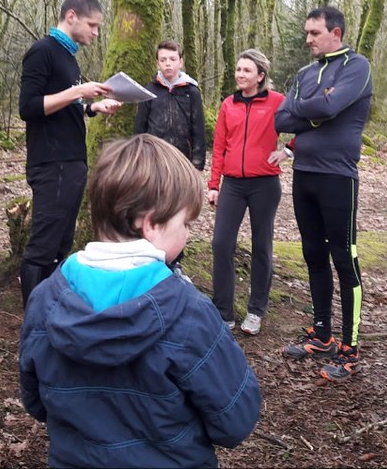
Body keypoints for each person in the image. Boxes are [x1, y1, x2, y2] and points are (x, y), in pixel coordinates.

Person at [19, 135, 262, 467]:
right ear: (150, 224)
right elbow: (235, 420)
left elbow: (35, 402)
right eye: (185, 223)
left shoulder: (47, 298)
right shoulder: (189, 313)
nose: (188, 233)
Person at [275, 6, 373, 381]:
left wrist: (312, 111)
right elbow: (282, 119)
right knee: (313, 255)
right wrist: (316, 112)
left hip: (338, 177)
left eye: (314, 33)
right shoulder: (304, 73)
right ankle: (323, 334)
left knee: (343, 258)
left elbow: (332, 104)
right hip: (304, 175)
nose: (308, 39)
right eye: (306, 33)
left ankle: (350, 348)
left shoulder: (356, 66)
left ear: (335, 32)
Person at [17, 0, 122, 305]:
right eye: (93, 25)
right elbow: (29, 107)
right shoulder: (42, 52)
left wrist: (91, 108)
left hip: (73, 161)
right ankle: (34, 322)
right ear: (72, 16)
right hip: (52, 164)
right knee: (43, 246)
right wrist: (78, 90)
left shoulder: (69, 57)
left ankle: (54, 315)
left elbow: (64, 108)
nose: (96, 32)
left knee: (61, 244)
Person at [207, 49, 285, 335]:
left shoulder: (276, 102)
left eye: (247, 71)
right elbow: (218, 146)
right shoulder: (229, 104)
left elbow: (303, 125)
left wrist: (288, 151)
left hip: (265, 184)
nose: (240, 74)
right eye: (238, 69)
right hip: (233, 184)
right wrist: (214, 185)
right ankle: (223, 311)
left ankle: (255, 310)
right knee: (221, 244)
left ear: (260, 76)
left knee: (261, 246)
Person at [134, 39, 207, 170]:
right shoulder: (149, 91)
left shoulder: (192, 91)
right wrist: (139, 160)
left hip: (183, 160)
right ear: (157, 63)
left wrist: (198, 165)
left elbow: (198, 130)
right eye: (163, 60)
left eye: (172, 59)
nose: (168, 64)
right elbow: (140, 129)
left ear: (181, 62)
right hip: (154, 159)